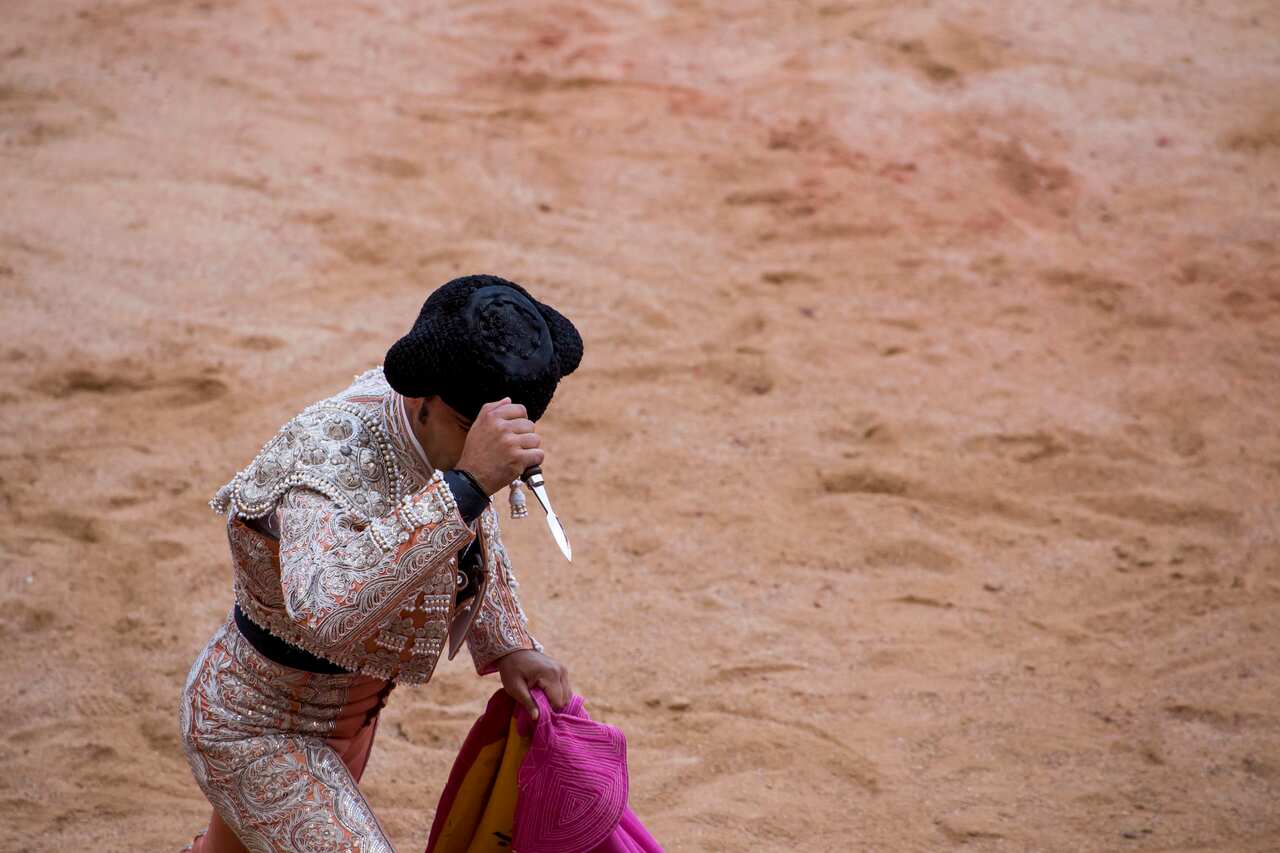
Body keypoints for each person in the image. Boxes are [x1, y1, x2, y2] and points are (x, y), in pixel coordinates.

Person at [178, 274, 583, 852]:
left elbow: (469, 537)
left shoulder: (434, 433)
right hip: (254, 728)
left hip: (349, 722)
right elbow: (325, 608)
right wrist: (468, 484)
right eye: (472, 430)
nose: (486, 454)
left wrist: (509, 644)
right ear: (421, 397)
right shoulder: (326, 452)